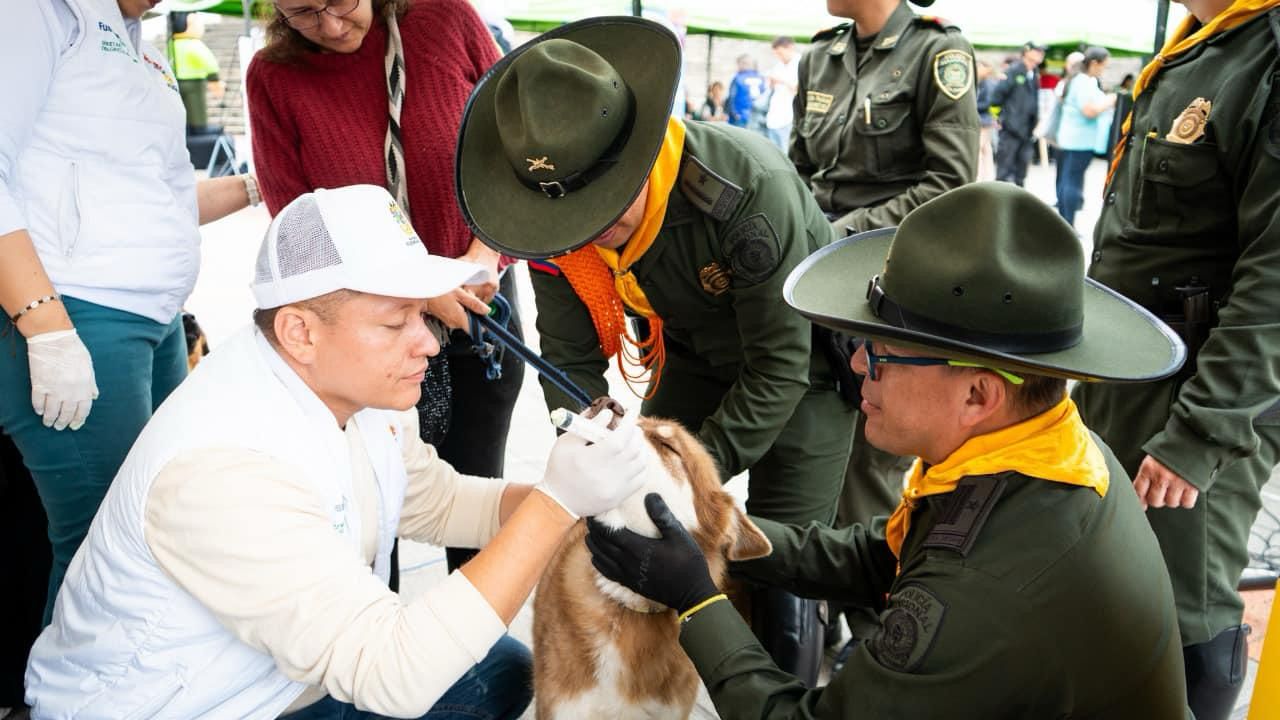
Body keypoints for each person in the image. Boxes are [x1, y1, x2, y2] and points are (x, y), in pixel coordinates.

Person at [24, 184, 652, 720]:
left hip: (275, 686)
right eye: (393, 322)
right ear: (300, 331)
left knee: (502, 668)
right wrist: (554, 503)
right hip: (185, 707)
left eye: (421, 315)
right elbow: (393, 675)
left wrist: (579, 504)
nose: (428, 345)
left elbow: (436, 502)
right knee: (444, 667)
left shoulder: (355, 391)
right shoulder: (222, 469)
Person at [585, 181, 1191, 718]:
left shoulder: (980, 582)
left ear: (978, 394)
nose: (855, 363)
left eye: (881, 354)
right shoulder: (1045, 450)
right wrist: (711, 533)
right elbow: (884, 556)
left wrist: (696, 600)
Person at [454, 17, 854, 687]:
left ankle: (790, 683)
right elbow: (570, 358)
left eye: (605, 206)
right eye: (572, 218)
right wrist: (590, 448)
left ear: (638, 154)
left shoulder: (746, 192)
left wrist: (691, 480)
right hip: (694, 360)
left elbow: (778, 366)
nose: (589, 233)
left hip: (804, 373)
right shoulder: (555, 225)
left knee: (788, 564)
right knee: (634, 534)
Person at [0, 0, 260, 626]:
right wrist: (45, 324)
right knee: (106, 550)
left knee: (158, 533)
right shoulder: (36, 12)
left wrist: (262, 185)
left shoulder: (136, 33)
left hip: (157, 319)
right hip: (77, 315)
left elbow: (157, 195)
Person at [247, 0, 524, 574]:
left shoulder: (446, 20)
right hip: (362, 331)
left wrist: (484, 251)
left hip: (478, 303)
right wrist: (423, 297)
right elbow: (297, 227)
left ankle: (477, 654)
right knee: (369, 521)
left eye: (339, 2)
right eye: (300, 12)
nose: (328, 25)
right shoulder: (274, 75)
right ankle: (375, 656)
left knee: (475, 509)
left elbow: (518, 147)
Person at [1072, 1, 1280, 717]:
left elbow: (1275, 278)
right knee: (1119, 589)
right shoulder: (1205, 45)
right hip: (1132, 379)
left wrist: (1199, 437)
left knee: (1184, 608)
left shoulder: (1268, 53)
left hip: (1200, 397)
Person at [788, 0, 979, 650]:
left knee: (870, 481)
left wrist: (831, 237)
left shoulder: (937, 53)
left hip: (885, 300)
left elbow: (950, 186)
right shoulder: (821, 52)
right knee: (807, 475)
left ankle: (883, 647)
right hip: (813, 298)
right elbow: (797, 173)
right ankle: (811, 636)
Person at [1053, 46, 1115, 227]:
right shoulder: (1084, 82)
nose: (1104, 69)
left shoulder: (1078, 79)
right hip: (1079, 140)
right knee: (1072, 182)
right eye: (1104, 65)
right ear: (1094, 63)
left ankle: (1064, 224)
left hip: (1071, 138)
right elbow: (1089, 110)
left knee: (1067, 180)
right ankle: (1067, 225)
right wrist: (1111, 99)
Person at [990, 41, 1046, 185]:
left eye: (1042, 52)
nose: (1041, 55)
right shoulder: (1014, 71)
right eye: (1038, 51)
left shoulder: (1033, 73)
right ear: (1027, 52)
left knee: (1021, 171)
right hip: (1010, 128)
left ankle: (1019, 202)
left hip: (1027, 129)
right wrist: (998, 119)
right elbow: (996, 97)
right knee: (1004, 171)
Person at [169, 11, 225, 134]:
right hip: (195, 83)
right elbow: (209, 63)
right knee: (196, 108)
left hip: (175, 82)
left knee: (180, 109)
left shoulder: (170, 45)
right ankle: (198, 127)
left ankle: (185, 129)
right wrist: (214, 79)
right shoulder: (194, 44)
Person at [764, 36, 800, 150]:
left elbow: (799, 90)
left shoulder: (801, 64)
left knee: (786, 151)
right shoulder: (779, 66)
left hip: (789, 116)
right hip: (775, 116)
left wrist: (781, 81)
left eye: (780, 53)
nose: (779, 57)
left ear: (790, 48)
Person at [974, 59, 999, 181]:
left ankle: (979, 176)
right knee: (986, 148)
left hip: (984, 120)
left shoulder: (988, 84)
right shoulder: (984, 82)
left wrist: (971, 107)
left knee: (979, 149)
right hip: (986, 119)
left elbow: (988, 103)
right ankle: (988, 176)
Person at [726, 54, 766, 128]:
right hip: (756, 117)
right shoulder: (761, 78)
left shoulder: (737, 78)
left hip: (739, 116)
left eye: (738, 64)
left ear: (744, 64)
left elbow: (731, 97)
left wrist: (734, 113)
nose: (737, 67)